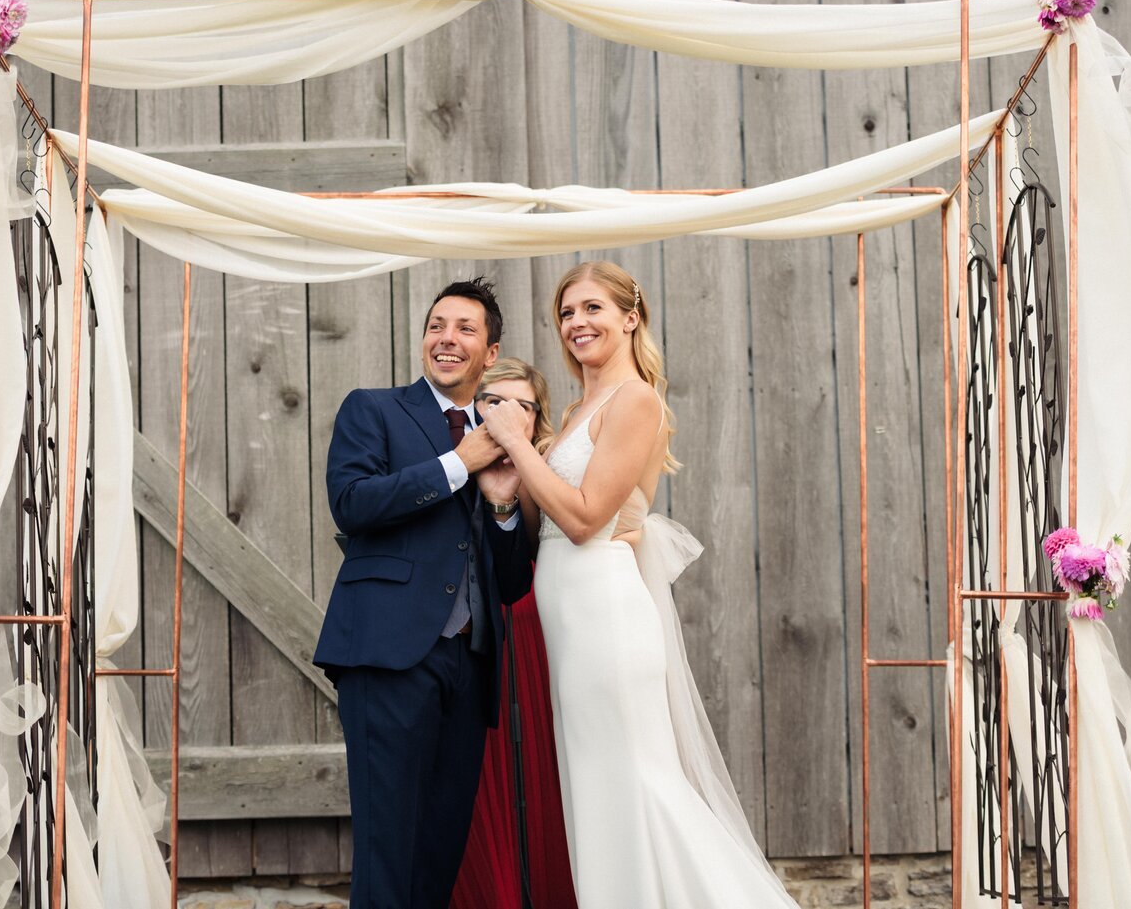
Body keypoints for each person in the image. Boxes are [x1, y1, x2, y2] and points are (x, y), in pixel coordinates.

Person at [482, 261, 801, 908]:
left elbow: (583, 518)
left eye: (593, 308)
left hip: (606, 617)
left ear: (631, 316)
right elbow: (564, 516)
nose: (577, 323)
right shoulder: (578, 409)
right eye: (567, 313)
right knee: (597, 790)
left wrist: (516, 442)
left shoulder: (636, 400)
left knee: (636, 783)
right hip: (569, 622)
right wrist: (502, 498)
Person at [314, 278, 533, 909]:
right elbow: (352, 504)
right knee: (387, 847)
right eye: (438, 325)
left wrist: (502, 509)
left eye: (466, 329)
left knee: (440, 849)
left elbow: (513, 582)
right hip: (387, 655)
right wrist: (459, 463)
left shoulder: (504, 432)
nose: (447, 338)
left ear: (490, 352)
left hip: (470, 662)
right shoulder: (374, 409)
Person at [451, 358, 579, 909]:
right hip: (464, 639)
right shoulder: (449, 465)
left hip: (535, 627)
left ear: (536, 419)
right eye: (491, 401)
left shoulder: (551, 467)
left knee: (549, 765)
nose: (504, 415)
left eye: (520, 405)